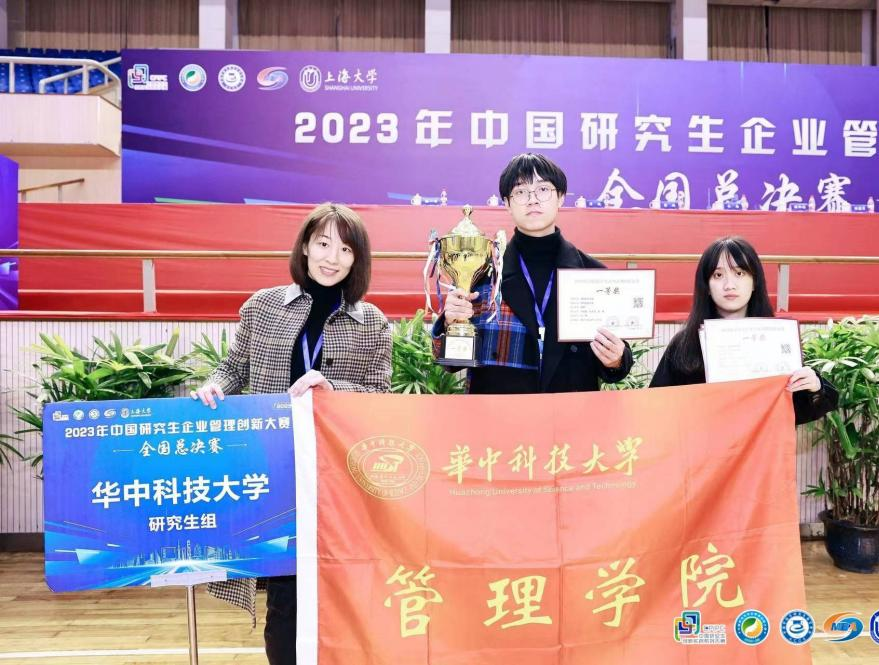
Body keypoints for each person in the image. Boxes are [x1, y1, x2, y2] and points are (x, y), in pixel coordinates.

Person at [191, 202, 392, 665]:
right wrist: (215, 385)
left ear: (358, 260)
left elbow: (380, 394)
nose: (332, 258)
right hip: (276, 469)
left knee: (341, 588)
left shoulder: (372, 322)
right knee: (286, 593)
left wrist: (332, 386)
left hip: (338, 478)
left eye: (346, 249)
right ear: (304, 247)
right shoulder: (263, 307)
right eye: (323, 243)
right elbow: (234, 367)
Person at [434, 152, 633, 393]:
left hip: (571, 411)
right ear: (507, 203)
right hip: (497, 412)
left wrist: (616, 359)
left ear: (561, 198)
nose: (533, 200)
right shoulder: (482, 273)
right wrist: (451, 322)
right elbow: (452, 363)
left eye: (543, 189)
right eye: (520, 192)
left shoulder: (593, 274)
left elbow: (616, 366)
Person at [649, 235, 837, 424]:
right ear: (706, 286)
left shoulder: (778, 338)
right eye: (718, 275)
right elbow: (655, 407)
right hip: (703, 442)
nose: (729, 285)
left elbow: (803, 410)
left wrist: (814, 385)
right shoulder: (685, 343)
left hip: (763, 442)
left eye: (739, 273)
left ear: (755, 281)